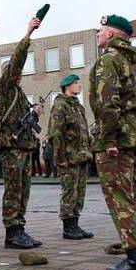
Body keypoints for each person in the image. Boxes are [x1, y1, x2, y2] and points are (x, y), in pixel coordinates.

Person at [90, 14, 136, 270]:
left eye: (102, 30)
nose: (98, 33)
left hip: (118, 139)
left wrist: (108, 140)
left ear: (112, 35)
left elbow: (108, 104)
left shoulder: (109, 60)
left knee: (120, 197)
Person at [0, 16, 44, 249]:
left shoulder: (18, 94)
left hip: (23, 146)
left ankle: (20, 228)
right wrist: (27, 34)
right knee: (13, 190)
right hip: (12, 147)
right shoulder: (2, 88)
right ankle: (12, 232)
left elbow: (20, 118)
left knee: (24, 189)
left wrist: (34, 113)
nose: (19, 75)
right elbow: (15, 62)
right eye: (16, 72)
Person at [47, 74, 94, 240]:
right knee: (69, 192)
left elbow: (83, 132)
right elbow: (56, 135)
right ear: (67, 87)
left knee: (79, 192)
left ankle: (75, 224)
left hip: (81, 156)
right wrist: (60, 158)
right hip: (68, 157)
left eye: (79, 82)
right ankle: (68, 227)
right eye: (76, 83)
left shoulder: (78, 107)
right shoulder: (60, 106)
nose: (79, 85)